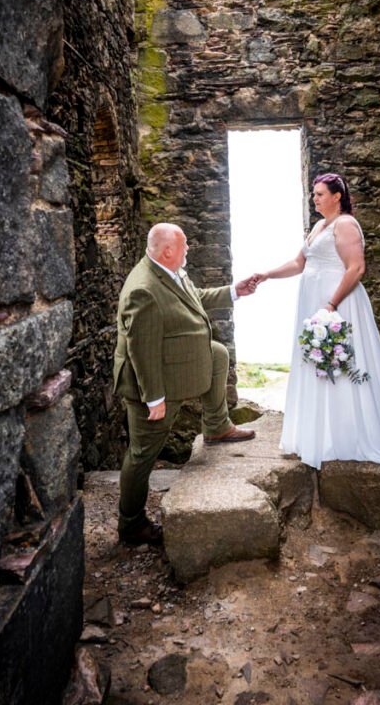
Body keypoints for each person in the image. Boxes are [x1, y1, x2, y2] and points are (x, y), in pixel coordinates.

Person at [253, 173, 380, 476]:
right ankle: (320, 436)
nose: (315, 199)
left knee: (341, 365)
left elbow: (356, 267)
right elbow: (299, 264)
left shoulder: (346, 224)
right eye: (313, 194)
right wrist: (266, 275)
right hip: (314, 300)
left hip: (338, 303)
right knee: (318, 364)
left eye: (320, 194)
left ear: (337, 196)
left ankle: (348, 436)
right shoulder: (319, 227)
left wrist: (331, 305)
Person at [113, 222, 259, 546]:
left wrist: (236, 291)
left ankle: (217, 426)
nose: (189, 248)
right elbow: (142, 349)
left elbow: (196, 298)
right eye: (184, 244)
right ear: (168, 250)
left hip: (174, 366)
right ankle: (131, 523)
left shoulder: (170, 270)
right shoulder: (143, 288)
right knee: (141, 456)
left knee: (217, 353)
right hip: (155, 382)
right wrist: (154, 400)